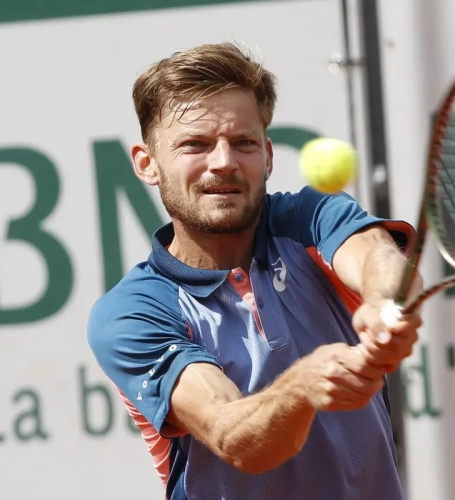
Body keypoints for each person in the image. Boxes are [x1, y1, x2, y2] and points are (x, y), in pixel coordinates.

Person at [87, 42, 423, 500]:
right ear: (147, 164)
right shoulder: (131, 312)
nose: (224, 162)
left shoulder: (310, 217)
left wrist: (385, 303)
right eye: (196, 144)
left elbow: (376, 258)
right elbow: (234, 436)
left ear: (267, 155)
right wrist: (303, 386)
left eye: (242, 142)